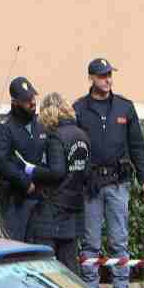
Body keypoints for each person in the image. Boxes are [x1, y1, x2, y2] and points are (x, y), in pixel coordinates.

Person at [74, 56, 144, 288]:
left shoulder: (124, 107)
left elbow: (137, 146)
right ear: (91, 78)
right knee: (90, 244)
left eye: (109, 75)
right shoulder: (79, 109)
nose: (107, 80)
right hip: (91, 185)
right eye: (101, 75)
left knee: (120, 241)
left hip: (118, 183)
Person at [24, 92, 91, 271]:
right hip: (74, 208)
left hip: (52, 210)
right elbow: (86, 173)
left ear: (48, 112)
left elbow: (57, 171)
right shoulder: (82, 135)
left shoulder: (55, 137)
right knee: (69, 267)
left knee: (46, 267)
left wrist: (33, 170)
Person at [0, 76, 46, 240]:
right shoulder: (4, 128)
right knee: (16, 246)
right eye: (26, 100)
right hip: (16, 199)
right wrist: (25, 182)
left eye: (33, 97)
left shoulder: (41, 124)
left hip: (41, 198)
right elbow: (1, 162)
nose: (32, 102)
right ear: (15, 102)